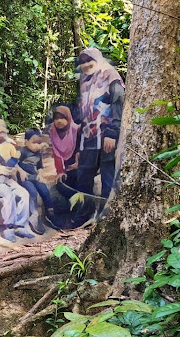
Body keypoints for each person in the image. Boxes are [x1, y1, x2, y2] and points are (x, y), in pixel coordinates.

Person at [73, 47, 124, 226]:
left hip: (106, 135)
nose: (86, 65)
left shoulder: (111, 76)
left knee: (108, 176)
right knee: (83, 175)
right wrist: (78, 146)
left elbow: (118, 105)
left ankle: (105, 217)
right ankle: (84, 214)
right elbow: (83, 115)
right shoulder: (84, 81)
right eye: (83, 62)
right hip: (88, 136)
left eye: (89, 61)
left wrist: (112, 133)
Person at [0, 117, 34, 240]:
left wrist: (19, 170)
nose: (2, 128)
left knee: (23, 194)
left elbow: (13, 161)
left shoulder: (9, 146)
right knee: (8, 195)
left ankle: (21, 226)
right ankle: (8, 227)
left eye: (3, 126)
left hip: (8, 179)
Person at [17, 129, 57, 232]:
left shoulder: (38, 153)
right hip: (25, 178)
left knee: (44, 190)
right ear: (26, 142)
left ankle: (50, 214)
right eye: (34, 142)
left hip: (34, 176)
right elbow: (14, 162)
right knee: (33, 192)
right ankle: (34, 216)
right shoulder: (23, 151)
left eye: (39, 142)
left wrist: (40, 173)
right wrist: (21, 171)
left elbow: (39, 166)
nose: (37, 145)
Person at [47, 103, 80, 186]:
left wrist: (78, 163)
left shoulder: (76, 130)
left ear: (68, 118)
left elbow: (81, 150)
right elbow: (56, 155)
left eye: (62, 118)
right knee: (61, 183)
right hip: (66, 168)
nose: (59, 121)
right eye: (56, 118)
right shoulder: (52, 132)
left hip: (80, 167)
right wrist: (60, 171)